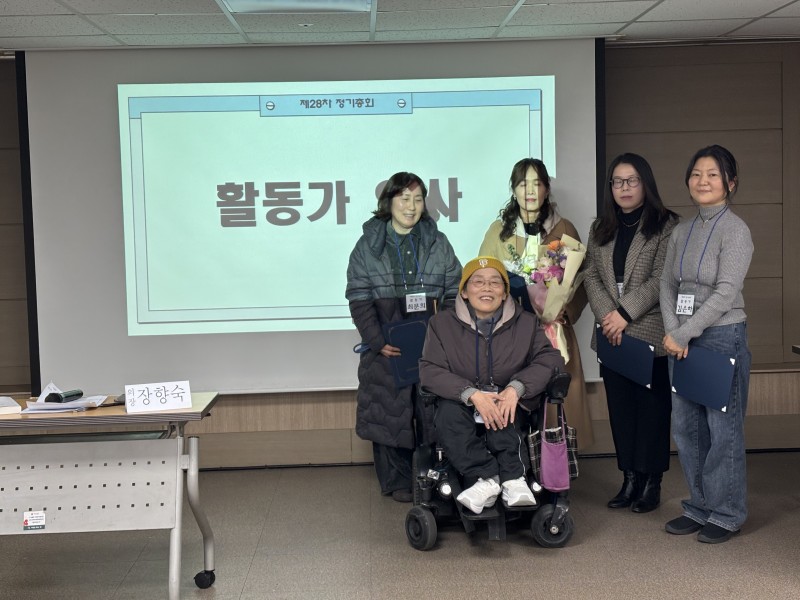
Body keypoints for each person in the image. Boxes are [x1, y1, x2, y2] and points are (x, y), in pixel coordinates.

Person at [346, 172, 462, 503]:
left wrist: (443, 335)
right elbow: (358, 297)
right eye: (404, 198)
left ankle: (434, 476)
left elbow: (454, 290)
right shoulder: (367, 246)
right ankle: (396, 480)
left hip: (431, 342)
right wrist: (376, 340)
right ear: (389, 202)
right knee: (388, 409)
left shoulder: (438, 242)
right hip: (387, 344)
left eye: (418, 199)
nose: (411, 206)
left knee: (431, 410)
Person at [419, 256, 564, 514]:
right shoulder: (440, 324)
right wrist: (471, 394)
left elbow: (550, 360)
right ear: (464, 291)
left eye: (495, 282)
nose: (487, 288)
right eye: (478, 282)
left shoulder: (526, 323)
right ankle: (487, 478)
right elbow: (430, 369)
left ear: (505, 292)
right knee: (449, 415)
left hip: (507, 401)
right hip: (460, 402)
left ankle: (513, 479)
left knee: (504, 409)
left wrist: (517, 388)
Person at [660, 145, 753, 544]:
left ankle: (727, 513)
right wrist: (673, 330)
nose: (703, 181)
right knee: (686, 427)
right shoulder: (681, 231)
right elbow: (667, 284)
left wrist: (683, 333)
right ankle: (699, 506)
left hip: (720, 336)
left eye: (713, 174)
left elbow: (726, 292)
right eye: (697, 173)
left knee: (722, 430)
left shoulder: (736, 230)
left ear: (730, 183)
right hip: (681, 338)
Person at [584, 153, 678, 513]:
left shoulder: (666, 225)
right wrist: (609, 316)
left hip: (649, 330)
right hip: (611, 332)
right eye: (617, 181)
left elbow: (662, 278)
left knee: (652, 411)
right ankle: (629, 479)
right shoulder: (600, 228)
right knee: (621, 410)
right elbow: (591, 275)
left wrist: (624, 314)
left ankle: (651, 482)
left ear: (645, 183)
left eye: (632, 180)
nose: (624, 188)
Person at [479, 158, 593, 449]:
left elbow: (584, 279)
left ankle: (557, 464)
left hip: (554, 331)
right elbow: (482, 279)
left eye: (536, 183)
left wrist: (565, 309)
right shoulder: (499, 231)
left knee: (557, 403)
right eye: (522, 184)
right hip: (509, 333)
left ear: (546, 189)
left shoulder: (564, 229)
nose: (529, 191)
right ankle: (517, 465)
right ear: (513, 189)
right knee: (515, 401)